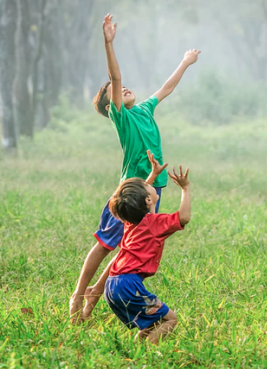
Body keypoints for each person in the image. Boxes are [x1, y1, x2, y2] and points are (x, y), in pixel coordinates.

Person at [69, 13, 200, 322]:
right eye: (114, 91)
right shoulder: (122, 117)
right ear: (109, 106)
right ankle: (78, 295)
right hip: (130, 190)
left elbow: (166, 88)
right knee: (105, 244)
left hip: (152, 188)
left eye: (125, 87)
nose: (123, 87)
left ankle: (91, 302)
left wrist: (185, 62)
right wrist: (108, 42)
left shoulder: (143, 109)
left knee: (130, 248)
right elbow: (115, 78)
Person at [103, 162, 191, 344]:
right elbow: (184, 217)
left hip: (112, 285)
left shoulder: (130, 221)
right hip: (129, 286)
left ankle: (137, 350)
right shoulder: (155, 224)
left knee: (152, 323)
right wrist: (185, 189)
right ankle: (147, 356)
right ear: (148, 200)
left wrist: (153, 174)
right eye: (148, 185)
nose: (149, 184)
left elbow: (136, 199)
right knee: (170, 319)